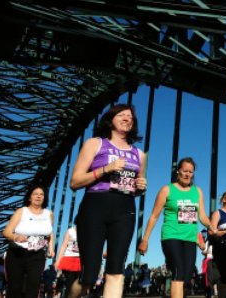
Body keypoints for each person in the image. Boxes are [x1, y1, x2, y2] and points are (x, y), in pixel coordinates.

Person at [69, 104, 147, 298]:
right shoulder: (95, 143)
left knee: (115, 271)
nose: (127, 119)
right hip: (95, 206)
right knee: (89, 275)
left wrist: (140, 188)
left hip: (125, 209)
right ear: (110, 119)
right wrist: (105, 169)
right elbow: (75, 182)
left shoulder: (140, 154)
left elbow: (136, 187)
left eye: (131, 117)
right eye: (122, 115)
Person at [138, 157, 211, 298]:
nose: (187, 174)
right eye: (185, 171)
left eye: (190, 172)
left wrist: (211, 226)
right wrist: (145, 239)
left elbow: (202, 215)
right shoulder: (167, 190)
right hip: (171, 236)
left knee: (188, 272)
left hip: (189, 238)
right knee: (178, 271)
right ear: (178, 171)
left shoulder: (198, 192)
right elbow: (154, 216)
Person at [2, 186, 55, 298]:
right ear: (29, 197)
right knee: (15, 287)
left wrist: (51, 247)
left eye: (42, 194)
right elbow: (6, 232)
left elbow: (50, 232)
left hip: (38, 254)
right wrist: (16, 237)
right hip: (17, 252)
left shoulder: (49, 214)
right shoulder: (22, 211)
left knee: (33, 287)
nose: (39, 196)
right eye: (35, 194)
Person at [55, 226, 81, 297]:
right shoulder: (70, 231)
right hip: (69, 259)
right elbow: (63, 246)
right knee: (69, 284)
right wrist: (58, 261)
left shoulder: (89, 231)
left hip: (81, 261)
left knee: (78, 285)